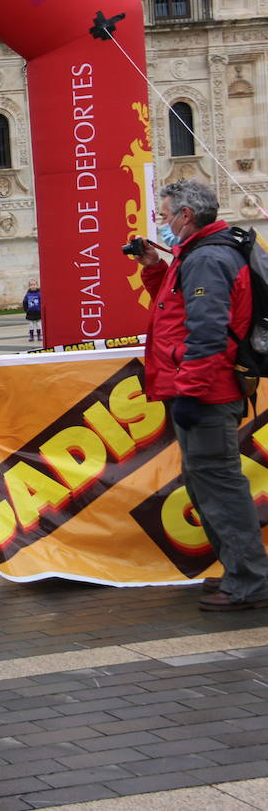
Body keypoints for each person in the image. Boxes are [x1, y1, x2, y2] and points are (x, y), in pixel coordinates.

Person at [131, 179, 268, 611]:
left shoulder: (207, 258)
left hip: (207, 392)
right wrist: (154, 265)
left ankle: (250, 581)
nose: (164, 222)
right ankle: (239, 571)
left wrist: (189, 392)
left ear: (185, 215)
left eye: (166, 214)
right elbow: (173, 312)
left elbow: (208, 334)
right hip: (205, 388)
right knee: (207, 481)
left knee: (219, 484)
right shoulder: (197, 253)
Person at [22, 280, 42, 344]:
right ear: (29, 286)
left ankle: (39, 335)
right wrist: (26, 310)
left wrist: (41, 309)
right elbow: (24, 302)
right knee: (31, 325)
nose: (33, 286)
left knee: (39, 325)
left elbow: (42, 302)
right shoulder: (28, 294)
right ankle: (31, 336)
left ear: (37, 285)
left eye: (34, 284)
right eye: (31, 285)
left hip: (38, 312)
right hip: (30, 313)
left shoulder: (39, 293)